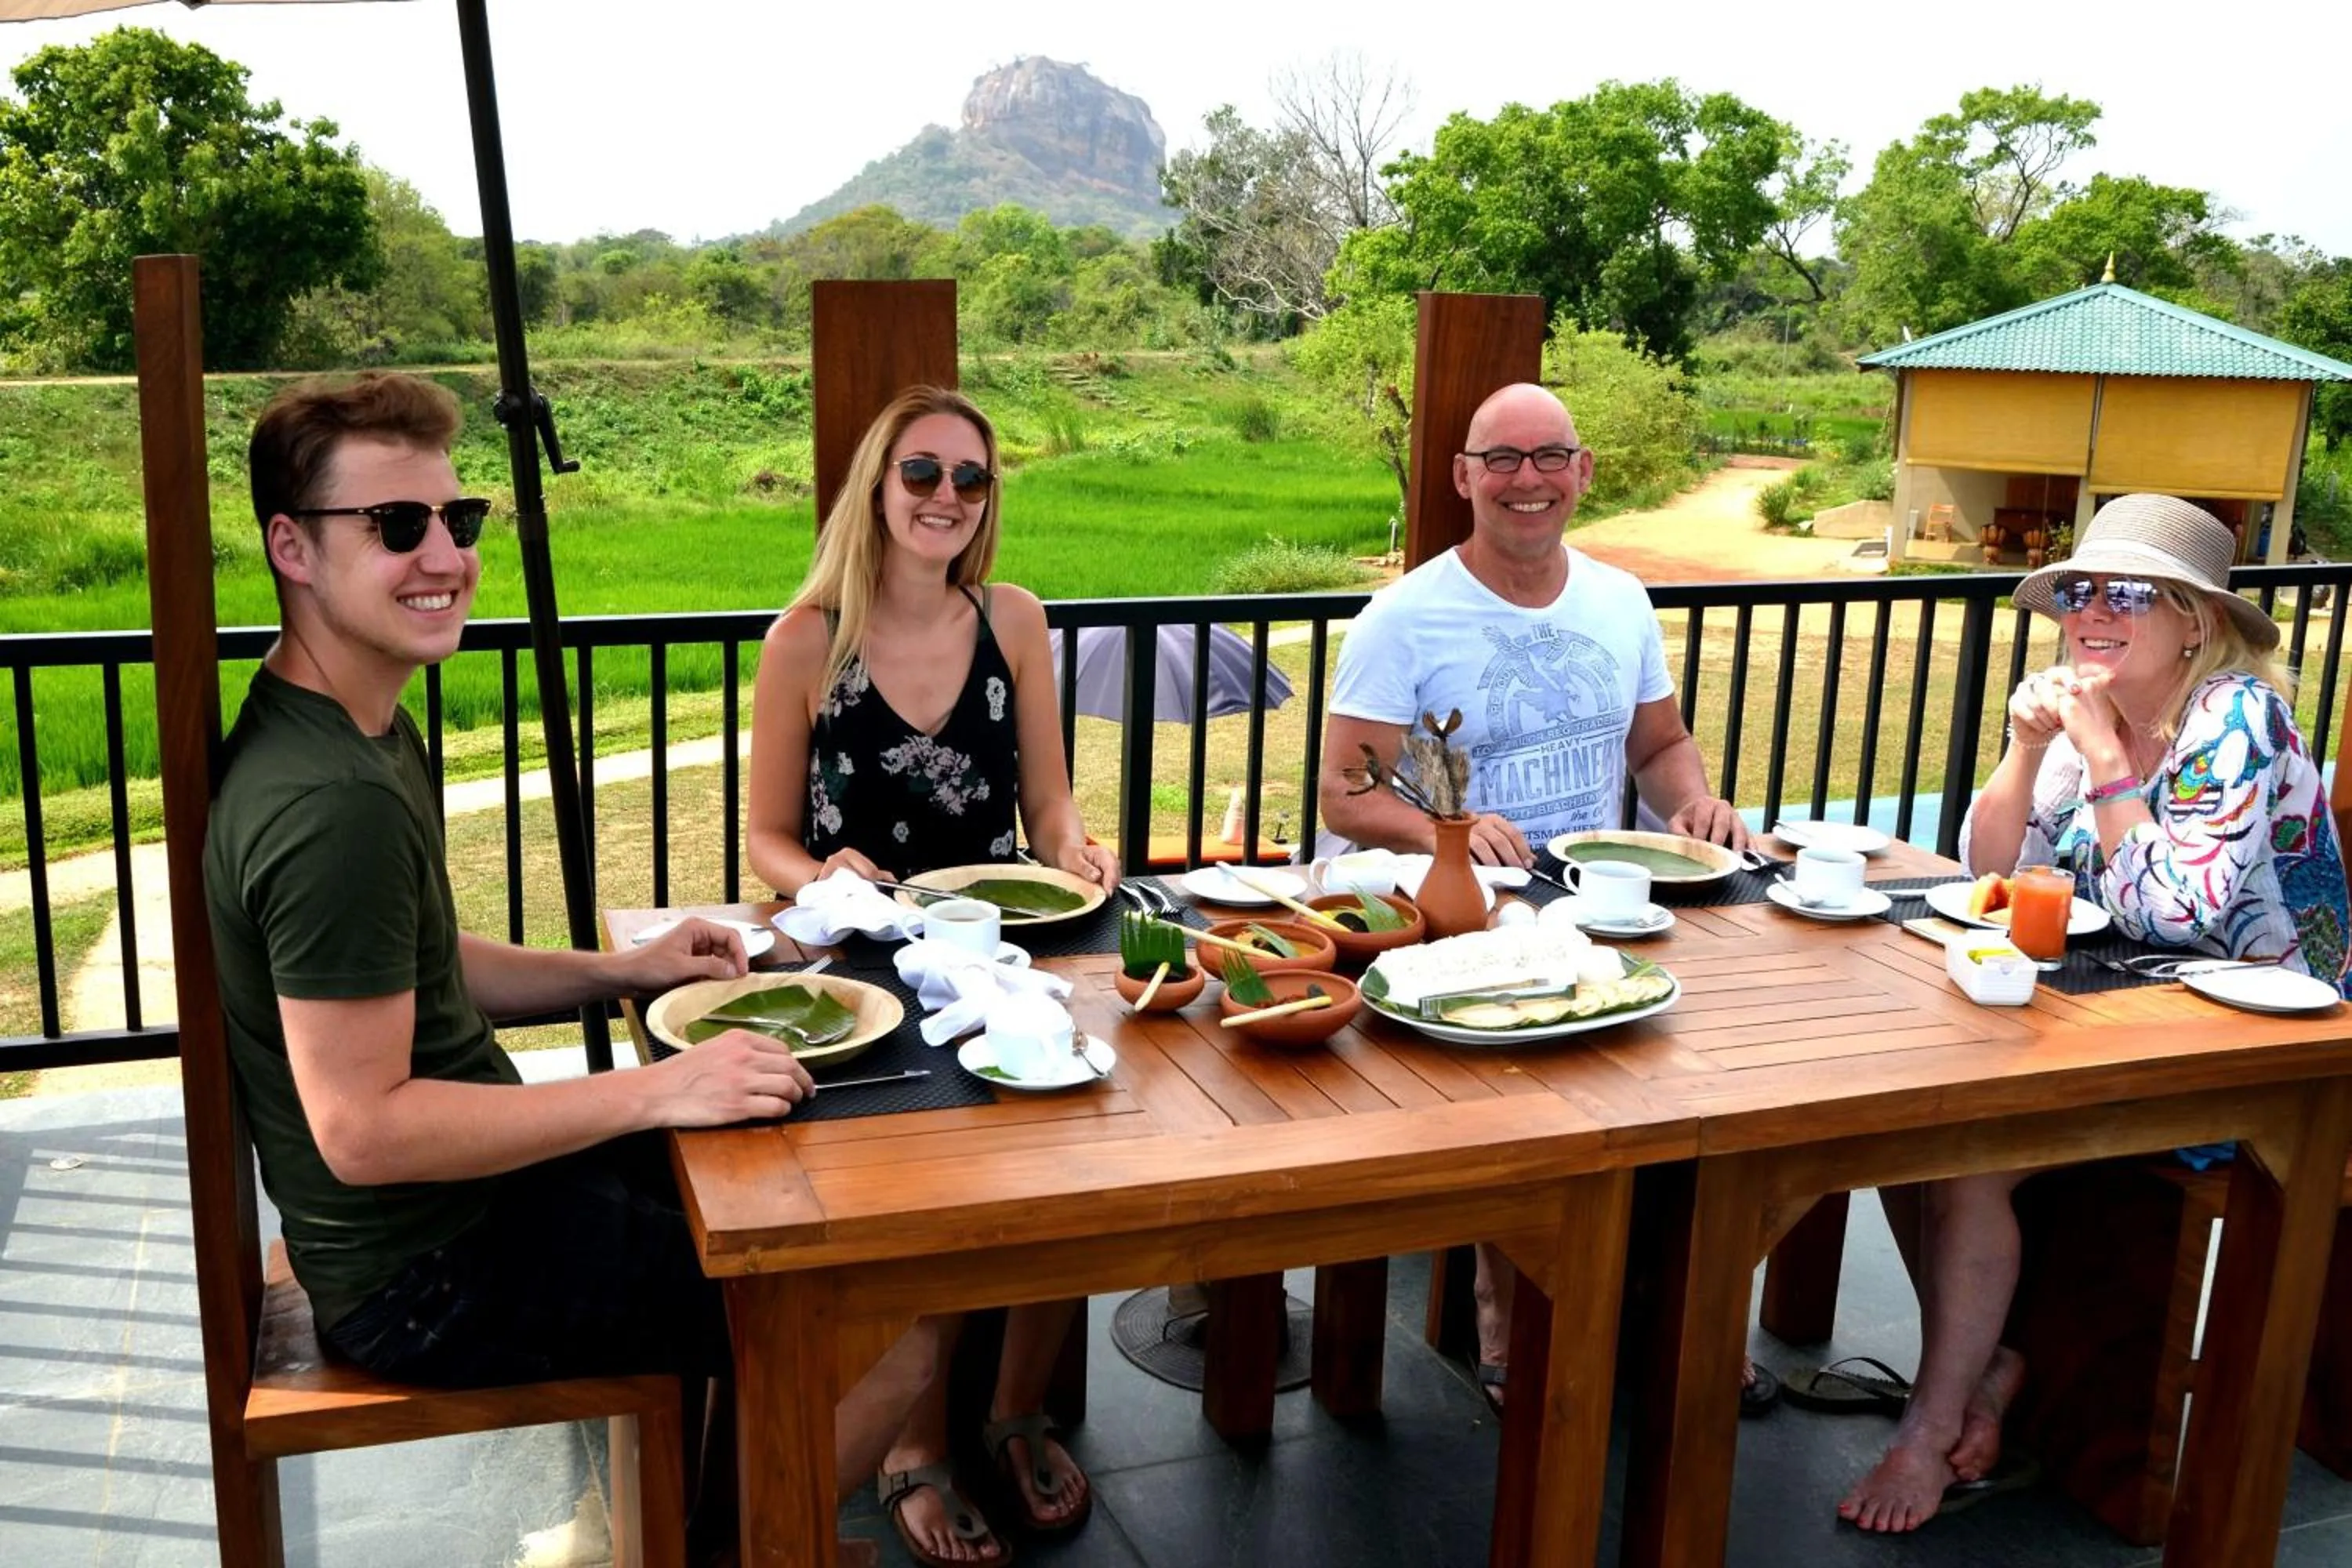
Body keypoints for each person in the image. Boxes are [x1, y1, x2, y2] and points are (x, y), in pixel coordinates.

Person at [208, 372, 938, 1568]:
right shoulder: (329, 801)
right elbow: (365, 1131)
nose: (442, 553)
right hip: (423, 1271)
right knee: (875, 1304)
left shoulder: (358, 724)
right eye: (396, 526)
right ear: (291, 546)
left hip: (451, 1212)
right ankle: (763, 1544)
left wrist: (626, 973)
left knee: (772, 1175)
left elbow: (420, 964)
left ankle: (703, 1525)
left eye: (459, 520)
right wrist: (655, 1087)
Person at [1841, 492, 2350, 1533]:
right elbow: (1990, 870)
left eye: (2126, 594)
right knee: (1900, 1122)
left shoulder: (2234, 719)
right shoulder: (2094, 707)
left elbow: (2177, 911)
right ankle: (1981, 1372)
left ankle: (1933, 1428)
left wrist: (2106, 758)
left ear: (2194, 621)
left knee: (1972, 1149)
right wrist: (2030, 749)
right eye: (2078, 591)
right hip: (2133, 1011)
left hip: (2276, 1048)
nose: (2090, 613)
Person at [1316, 380, 1758, 1415]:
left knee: (1719, 1063)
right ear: (1465, 478)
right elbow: (1347, 788)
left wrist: (1696, 803)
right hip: (1467, 915)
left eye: (1549, 456)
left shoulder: (1619, 599)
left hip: (1603, 899)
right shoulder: (1407, 616)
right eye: (1502, 461)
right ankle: (1507, 1296)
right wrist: (1445, 833)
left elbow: (1658, 745)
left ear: (1584, 471)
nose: (1528, 481)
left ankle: (1684, 1305)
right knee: (1526, 1075)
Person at [746, 385, 1109, 1566]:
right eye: (921, 473)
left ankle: (1014, 1413)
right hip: (865, 964)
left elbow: (1046, 802)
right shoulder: (809, 639)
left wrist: (1072, 849)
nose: (946, 497)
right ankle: (913, 1447)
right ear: (877, 485)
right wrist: (823, 867)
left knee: (1066, 1157)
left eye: (970, 478)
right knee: (919, 1206)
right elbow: (764, 841)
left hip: (1007, 947)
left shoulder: (1013, 620)